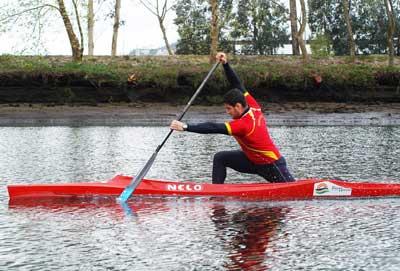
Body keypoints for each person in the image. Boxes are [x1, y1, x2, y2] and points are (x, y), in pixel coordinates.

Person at [170, 52, 294, 184]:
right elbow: (237, 85)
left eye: (229, 108)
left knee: (293, 189)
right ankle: (217, 192)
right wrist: (225, 64)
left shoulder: (243, 125)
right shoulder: (253, 105)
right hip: (252, 161)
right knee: (221, 158)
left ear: (238, 106)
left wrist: (185, 127)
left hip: (271, 164)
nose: (227, 112)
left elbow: (214, 128)